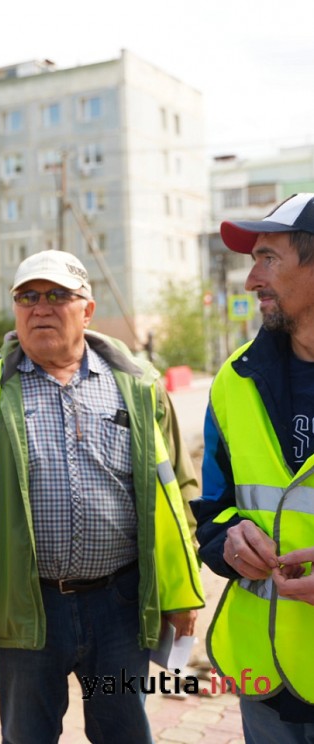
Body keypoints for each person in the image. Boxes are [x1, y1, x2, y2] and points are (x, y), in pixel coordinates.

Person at [0, 249, 205, 743]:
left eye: (58, 295)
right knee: (28, 735)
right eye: (28, 296)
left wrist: (180, 590)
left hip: (120, 605)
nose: (41, 307)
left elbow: (179, 490)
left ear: (87, 309)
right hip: (25, 605)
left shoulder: (138, 386)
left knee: (123, 733)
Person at [191, 193, 314, 742]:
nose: (251, 279)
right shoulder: (232, 383)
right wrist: (228, 540)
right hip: (264, 681)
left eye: (268, 258)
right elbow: (213, 513)